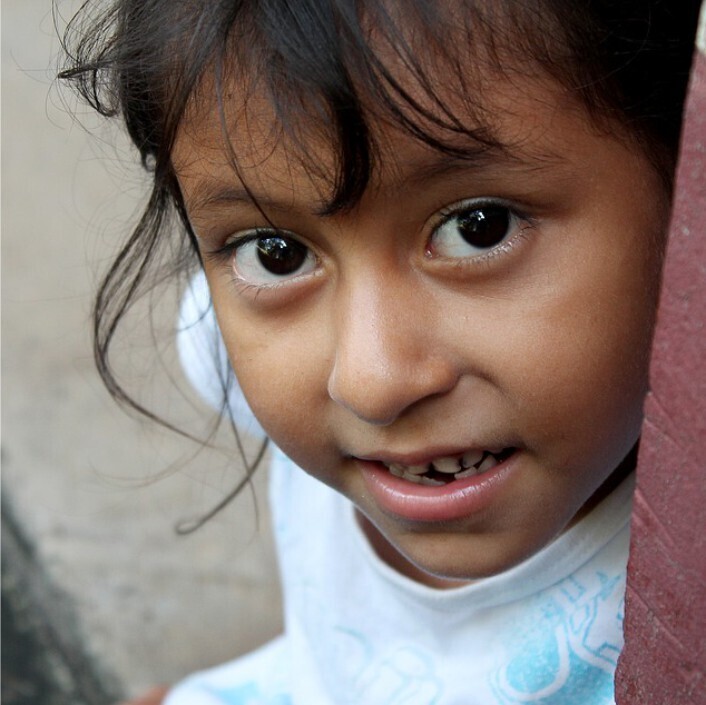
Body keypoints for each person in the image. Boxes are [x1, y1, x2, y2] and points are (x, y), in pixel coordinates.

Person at [60, 1, 702, 703]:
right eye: (277, 254)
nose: (371, 380)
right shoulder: (231, 343)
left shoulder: (677, 617)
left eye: (478, 229)